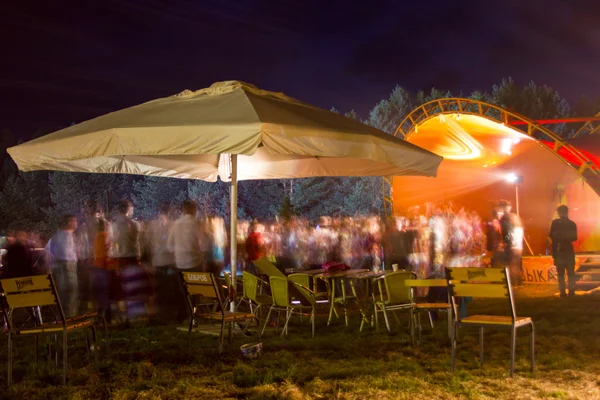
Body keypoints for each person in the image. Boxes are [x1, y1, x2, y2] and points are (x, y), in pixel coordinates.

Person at [49, 215, 79, 317]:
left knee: (61, 292)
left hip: (58, 264)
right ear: (69, 222)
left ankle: (60, 315)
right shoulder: (69, 235)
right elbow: (70, 252)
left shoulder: (57, 235)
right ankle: (70, 316)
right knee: (71, 290)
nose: (76, 224)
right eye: (74, 221)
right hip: (68, 264)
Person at [168, 199, 207, 272]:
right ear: (194, 210)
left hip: (180, 263)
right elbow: (204, 245)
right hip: (195, 262)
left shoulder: (176, 223)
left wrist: (178, 252)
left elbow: (169, 245)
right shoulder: (197, 224)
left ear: (184, 210)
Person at [549, 204, 578, 298]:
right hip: (568, 249)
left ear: (559, 212)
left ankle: (563, 292)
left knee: (561, 273)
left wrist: (559, 236)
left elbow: (551, 235)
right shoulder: (572, 223)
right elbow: (574, 237)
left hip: (559, 249)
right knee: (570, 272)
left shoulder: (555, 223)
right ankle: (571, 291)